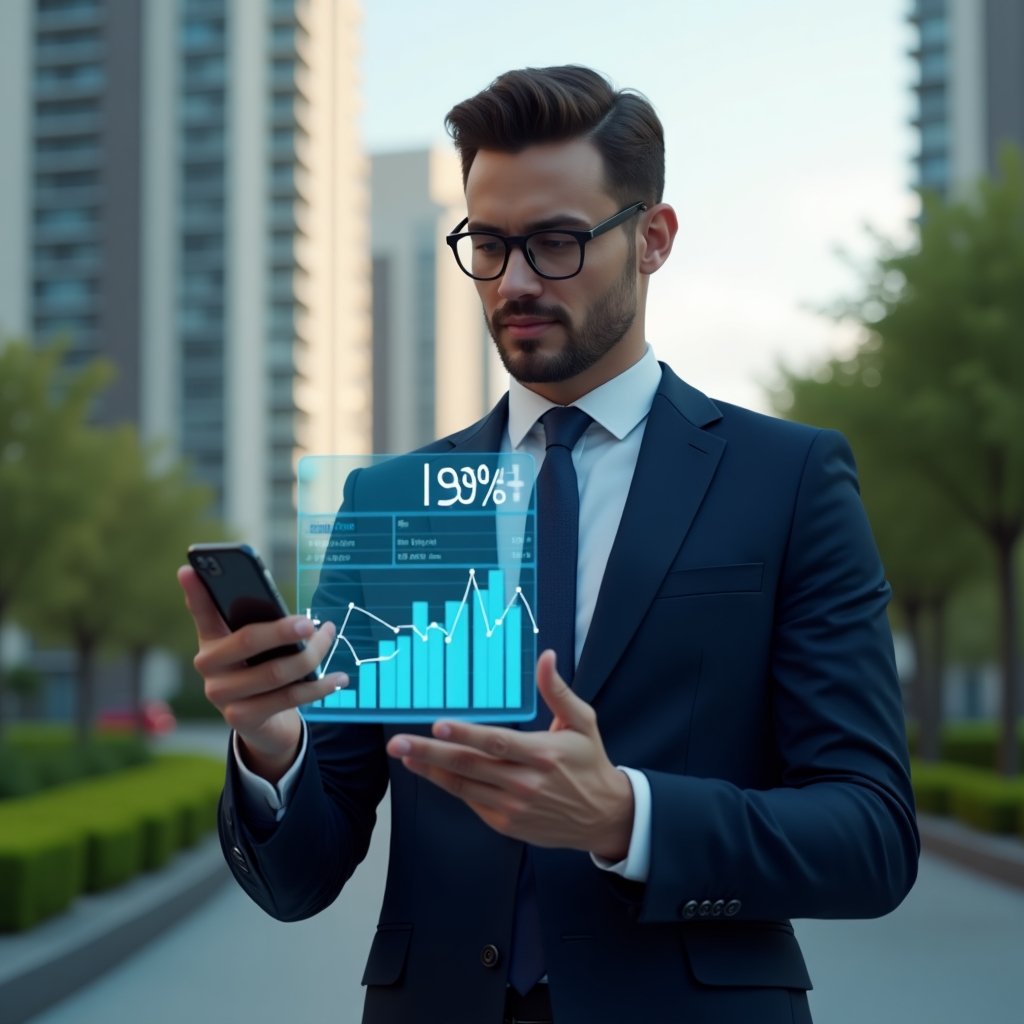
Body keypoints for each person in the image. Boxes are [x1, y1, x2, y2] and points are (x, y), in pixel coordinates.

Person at [178, 65, 919, 1024]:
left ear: (652, 239)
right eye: (488, 245)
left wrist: (627, 817)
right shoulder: (396, 502)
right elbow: (302, 880)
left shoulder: (787, 479)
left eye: (557, 242)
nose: (515, 281)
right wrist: (271, 745)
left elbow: (872, 835)